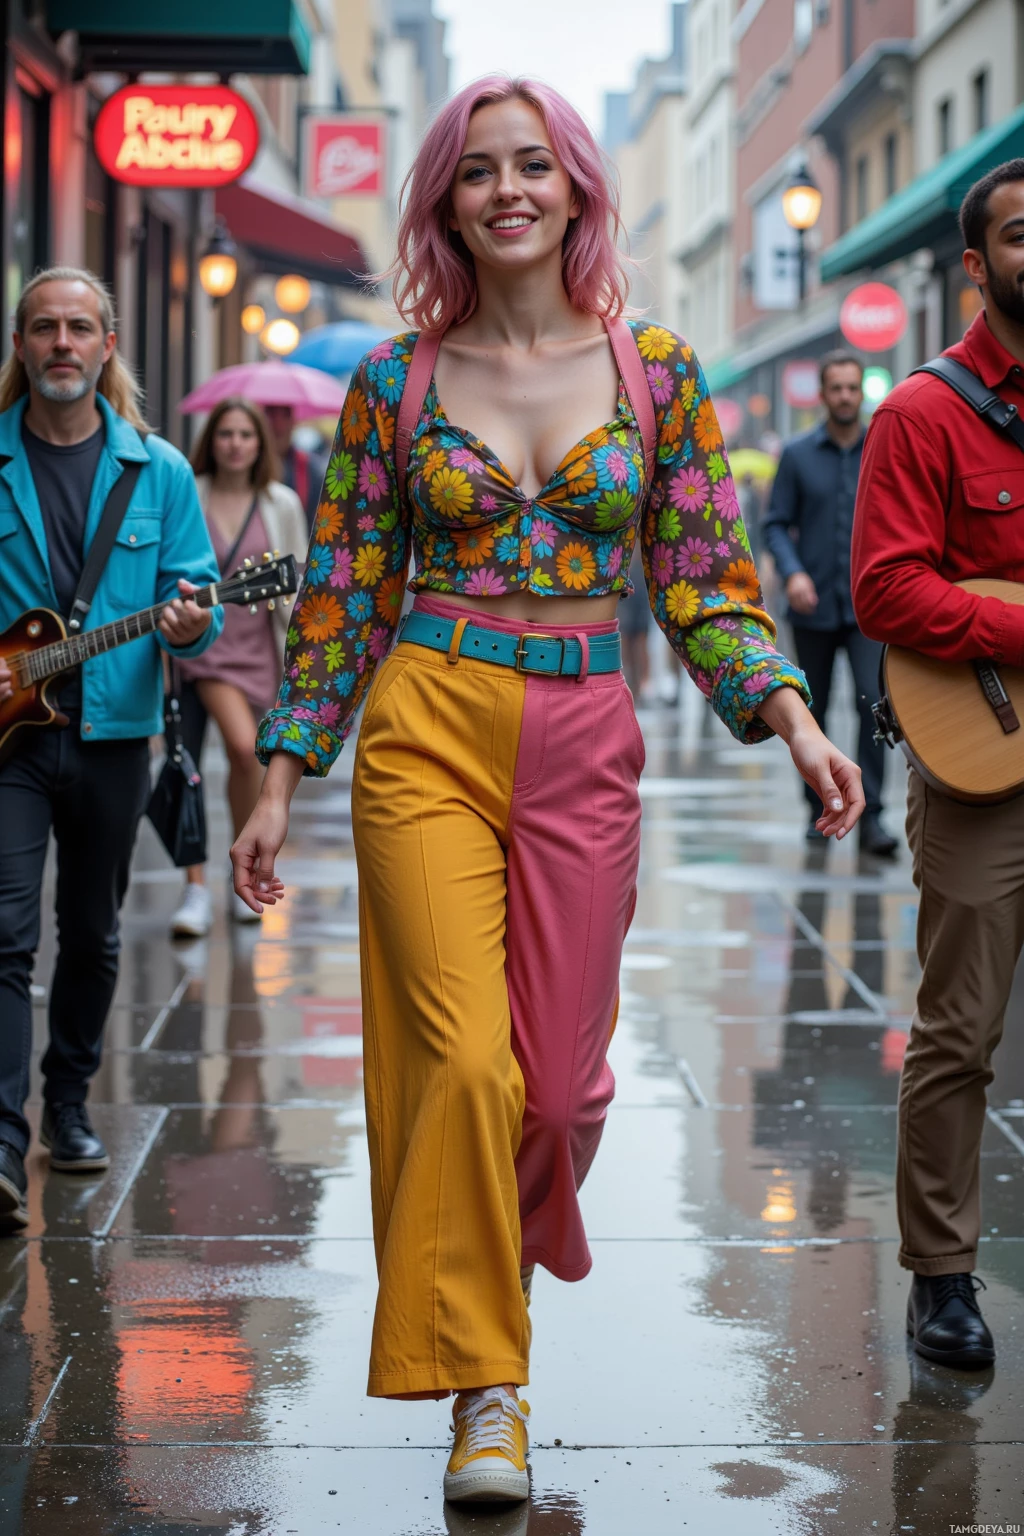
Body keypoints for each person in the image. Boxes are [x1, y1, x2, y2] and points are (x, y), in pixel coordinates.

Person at [230, 76, 864, 1506]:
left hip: (586, 733)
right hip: (427, 728)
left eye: (534, 166)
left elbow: (706, 582)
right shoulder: (394, 382)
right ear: (445, 201)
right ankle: (487, 1391)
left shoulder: (659, 372)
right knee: (459, 1065)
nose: (507, 190)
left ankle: (482, 1272)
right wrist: (278, 781)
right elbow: (339, 598)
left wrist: (797, 721)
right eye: (476, 171)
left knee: (564, 1095)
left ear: (577, 187)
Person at [0, 267, 221, 1230]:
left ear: (106, 347)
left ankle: (72, 1105)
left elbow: (200, 606)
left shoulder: (158, 470)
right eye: (43, 327)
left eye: (79, 328)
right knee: (6, 936)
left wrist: (181, 626)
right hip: (10, 742)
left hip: (113, 734)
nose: (61, 343)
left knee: (90, 935)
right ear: (21, 345)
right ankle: (2, 1140)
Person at [852, 158, 1024, 1370]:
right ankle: (941, 1277)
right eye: (1022, 235)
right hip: (984, 758)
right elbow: (883, 586)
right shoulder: (925, 410)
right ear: (976, 264)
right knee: (957, 1031)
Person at [168, 398, 307, 937]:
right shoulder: (190, 495)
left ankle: (233, 871)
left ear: (260, 444)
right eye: (224, 434)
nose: (234, 444)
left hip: (260, 650)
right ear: (212, 441)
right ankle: (201, 885)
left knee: (208, 766)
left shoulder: (281, 503)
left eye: (244, 435)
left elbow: (295, 580)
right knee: (243, 748)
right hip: (202, 651)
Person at [764, 353, 897, 857]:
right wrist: (793, 571)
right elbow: (775, 522)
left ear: (860, 392)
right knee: (809, 709)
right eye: (835, 388)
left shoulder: (882, 449)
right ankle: (818, 808)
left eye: (851, 388)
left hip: (870, 608)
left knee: (874, 704)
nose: (844, 396)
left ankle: (874, 818)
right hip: (812, 603)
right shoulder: (797, 455)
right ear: (822, 394)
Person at [264, 402, 329, 533]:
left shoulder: (313, 470)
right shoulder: (245, 469)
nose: (278, 424)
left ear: (293, 421)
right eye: (271, 414)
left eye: (285, 415)